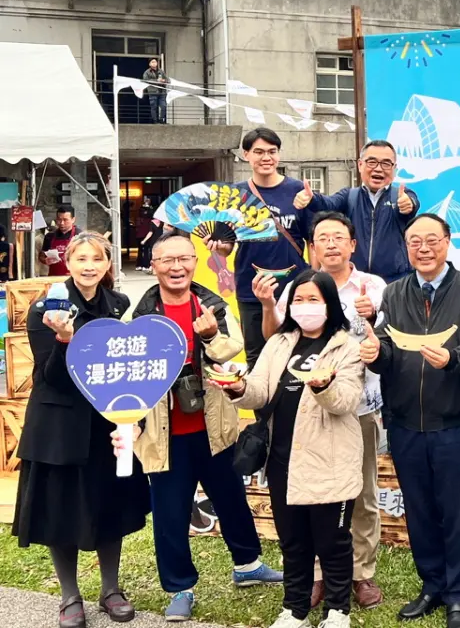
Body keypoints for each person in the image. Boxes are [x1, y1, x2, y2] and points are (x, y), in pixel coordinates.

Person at [113, 232, 282, 621]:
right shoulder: (138, 315)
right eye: (167, 260)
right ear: (152, 266)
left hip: (214, 426)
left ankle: (248, 565)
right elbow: (124, 375)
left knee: (231, 499)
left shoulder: (212, 304)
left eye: (184, 259)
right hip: (162, 431)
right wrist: (127, 425)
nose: (177, 267)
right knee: (170, 514)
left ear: (194, 262)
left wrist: (209, 336)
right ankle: (179, 587)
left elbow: (232, 349)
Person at [359, 213, 460, 628]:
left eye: (432, 239)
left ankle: (458, 595)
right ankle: (431, 585)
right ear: (407, 247)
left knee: (455, 511)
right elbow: (385, 348)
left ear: (448, 242)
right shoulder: (395, 293)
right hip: (403, 422)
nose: (423, 248)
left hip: (454, 420)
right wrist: (375, 354)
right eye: (415, 241)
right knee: (418, 509)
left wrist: (455, 358)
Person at [214, 269, 366, 628]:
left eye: (314, 299)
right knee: (293, 540)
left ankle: (337, 610)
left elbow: (345, 401)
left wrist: (323, 386)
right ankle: (294, 608)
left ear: (329, 304)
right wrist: (237, 388)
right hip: (283, 458)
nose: (305, 306)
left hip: (330, 459)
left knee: (333, 541)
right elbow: (260, 390)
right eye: (299, 299)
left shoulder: (347, 346)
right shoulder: (280, 342)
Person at [13, 231, 147, 628]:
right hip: (58, 422)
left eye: (97, 258)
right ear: (67, 263)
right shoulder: (46, 309)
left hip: (105, 420)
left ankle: (111, 589)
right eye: (81, 258)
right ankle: (70, 595)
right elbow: (50, 377)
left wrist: (132, 417)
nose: (89, 265)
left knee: (111, 503)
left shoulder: (119, 305)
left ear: (108, 264)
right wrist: (64, 339)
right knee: (61, 510)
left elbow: (126, 368)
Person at [259, 211, 388, 611]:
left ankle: (360, 574)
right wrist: (267, 304)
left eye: (338, 237)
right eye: (322, 238)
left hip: (358, 406)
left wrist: (370, 318)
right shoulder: (296, 286)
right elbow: (277, 338)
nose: (330, 244)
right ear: (312, 246)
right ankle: (317, 576)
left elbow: (386, 345)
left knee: (358, 492)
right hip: (300, 415)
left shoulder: (374, 286)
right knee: (307, 493)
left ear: (352, 244)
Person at [209, 128, 310, 368]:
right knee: (257, 357)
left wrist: (315, 279)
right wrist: (218, 246)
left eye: (272, 152)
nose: (266, 157)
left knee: (298, 354)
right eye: (259, 152)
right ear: (246, 155)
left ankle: (293, 406)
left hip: (294, 288)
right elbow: (227, 247)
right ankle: (262, 406)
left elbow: (312, 239)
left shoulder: (297, 191)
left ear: (279, 155)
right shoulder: (235, 194)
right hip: (251, 287)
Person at [293, 140, 420, 283]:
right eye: (372, 162)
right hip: (356, 281)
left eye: (386, 164)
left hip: (396, 282)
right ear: (360, 165)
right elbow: (327, 204)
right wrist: (311, 198)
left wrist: (408, 204)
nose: (378, 169)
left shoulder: (401, 195)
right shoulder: (349, 196)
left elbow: (411, 203)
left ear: (394, 168)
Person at [40, 206, 79, 277]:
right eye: (59, 219)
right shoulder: (50, 236)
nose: (62, 223)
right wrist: (45, 260)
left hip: (74, 278)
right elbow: (41, 256)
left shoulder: (80, 236)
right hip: (53, 277)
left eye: (65, 220)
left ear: (73, 219)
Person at [143, 57, 167, 124]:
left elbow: (167, 79)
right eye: (152, 62)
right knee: (154, 107)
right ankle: (155, 121)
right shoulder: (147, 72)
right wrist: (156, 81)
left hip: (162, 91)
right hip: (153, 92)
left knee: (163, 106)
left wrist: (164, 80)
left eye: (155, 62)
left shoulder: (161, 71)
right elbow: (146, 81)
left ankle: (161, 119)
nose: (154, 63)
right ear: (149, 64)